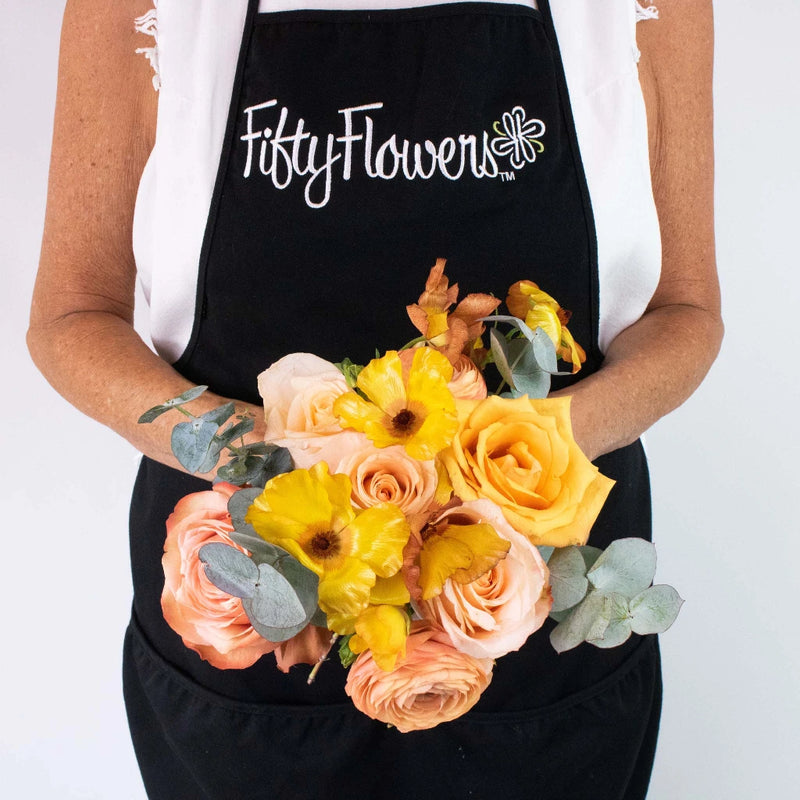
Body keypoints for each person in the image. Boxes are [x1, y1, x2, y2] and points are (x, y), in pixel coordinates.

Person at [27, 0, 722, 798]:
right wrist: (293, 472)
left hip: (540, 631)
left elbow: (685, 311)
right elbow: (72, 318)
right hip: (256, 631)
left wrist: (499, 471)